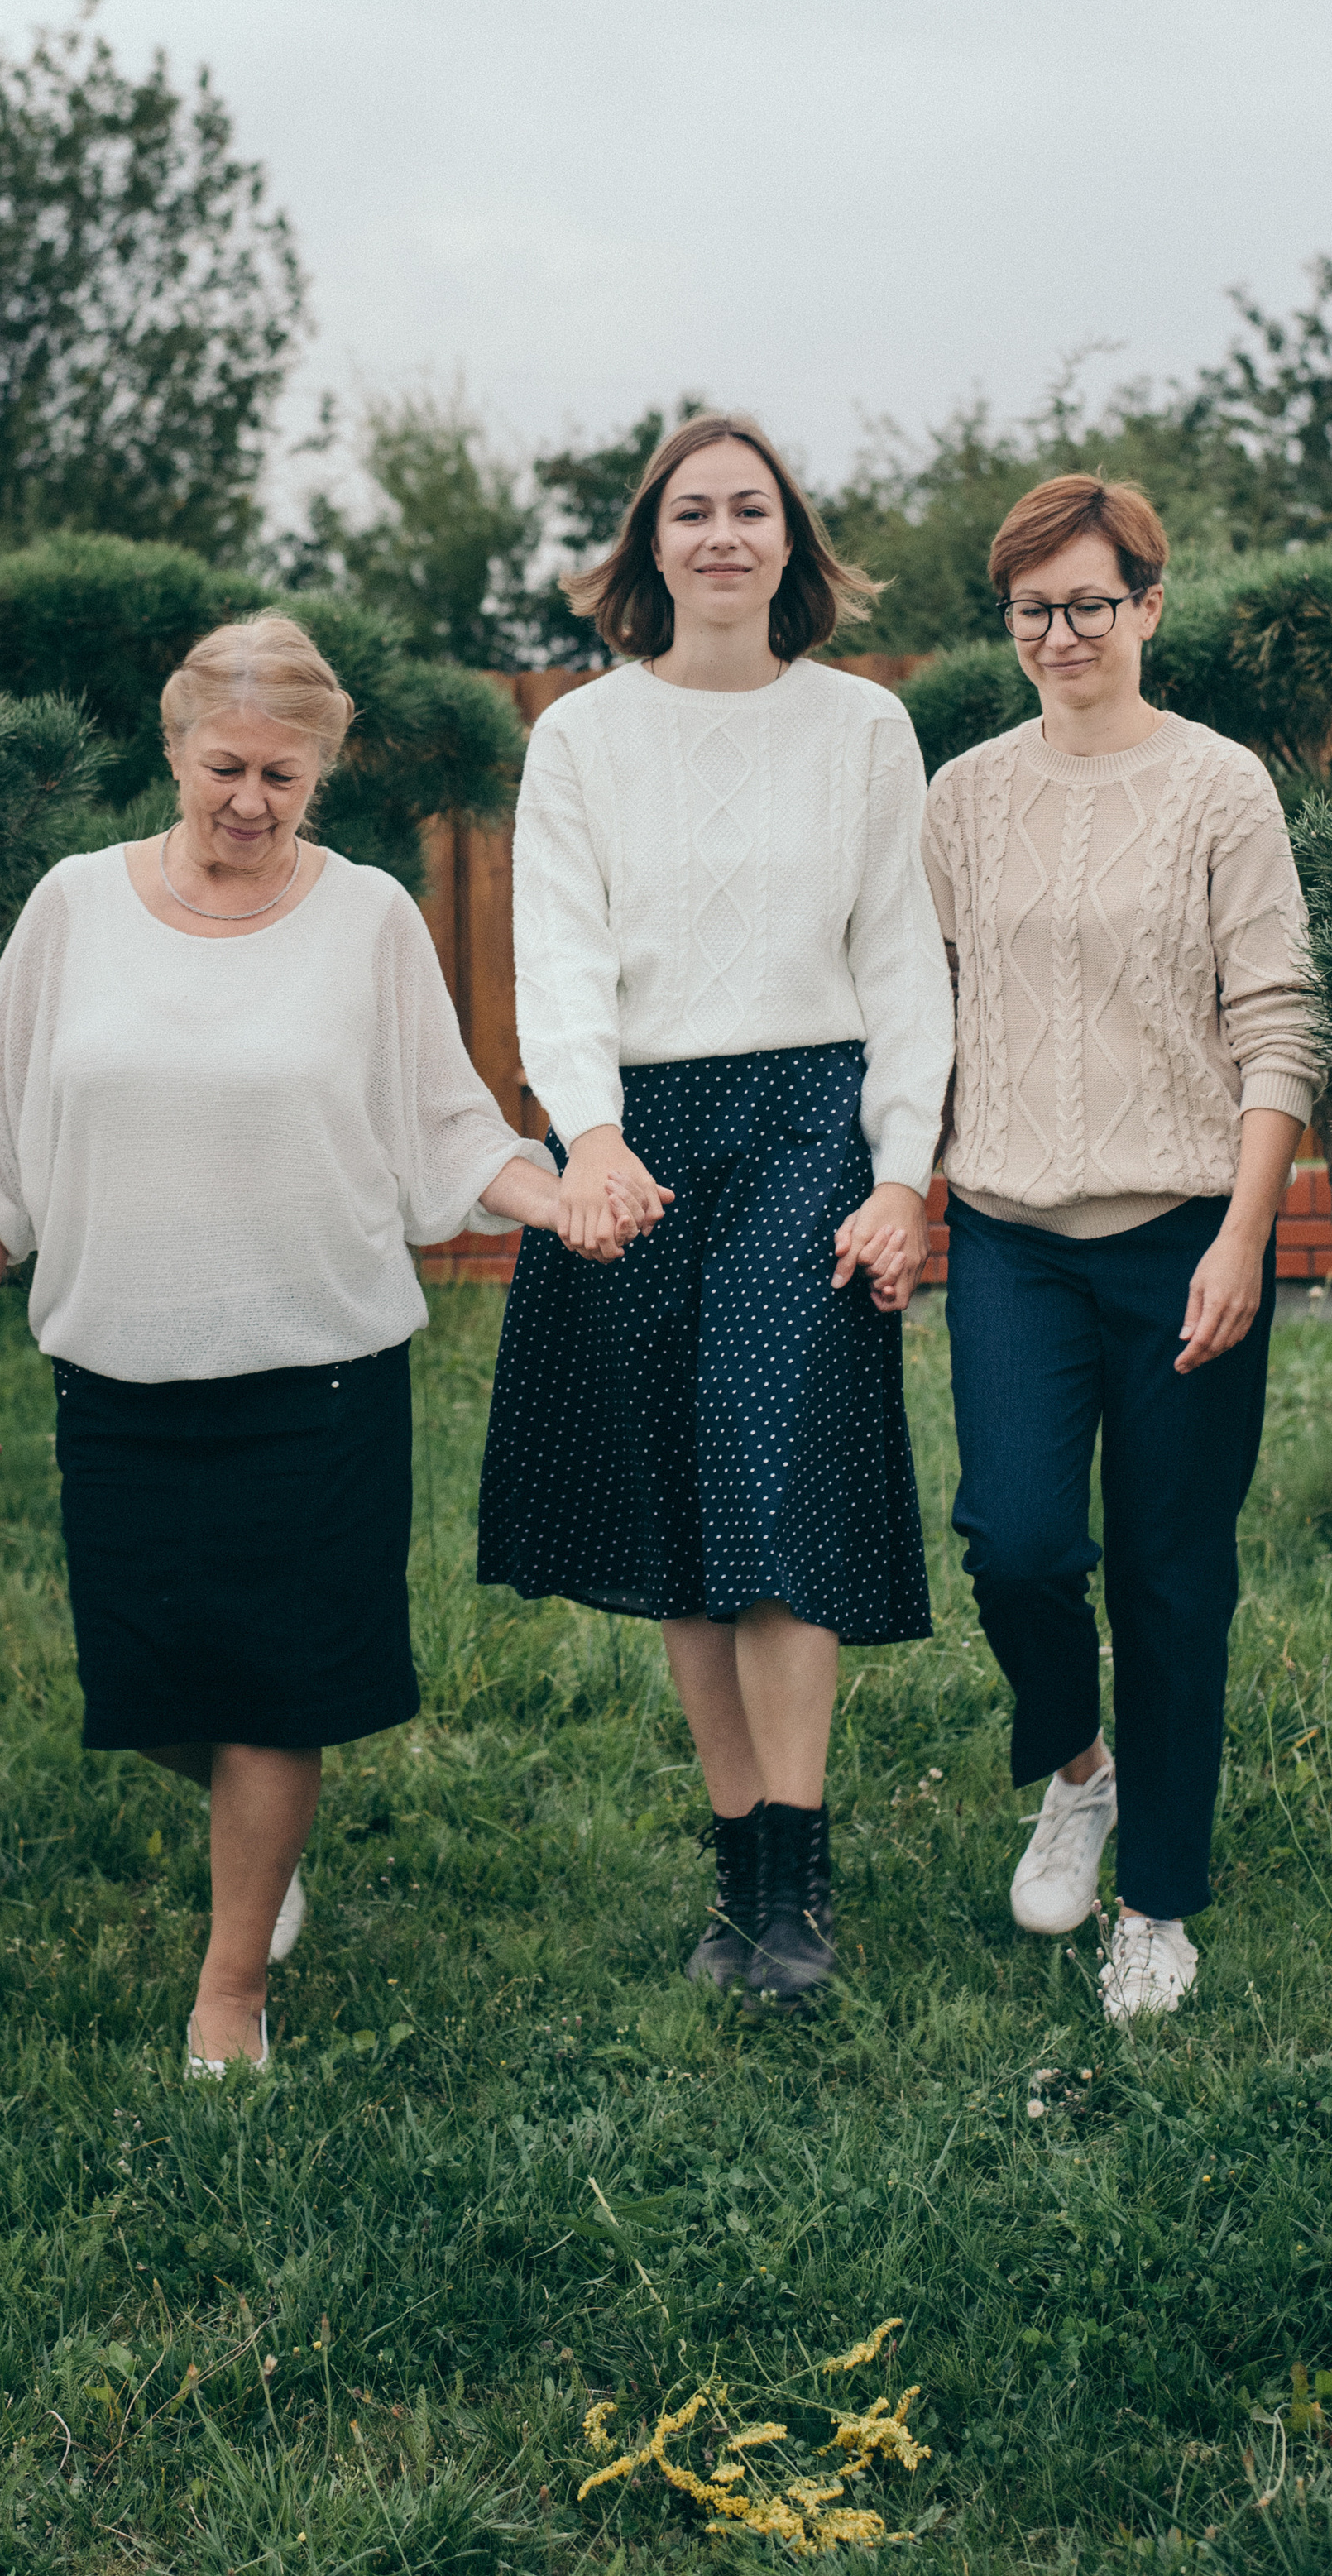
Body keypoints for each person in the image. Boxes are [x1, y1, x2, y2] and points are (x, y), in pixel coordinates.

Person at [0, 613, 567, 2074]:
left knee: (280, 1689)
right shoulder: (75, 908)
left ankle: (230, 1993)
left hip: (317, 1376)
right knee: (149, 1682)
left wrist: (560, 1196)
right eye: (226, 767)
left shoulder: (368, 919)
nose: (249, 802)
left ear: (319, 775)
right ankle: (259, 1847)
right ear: (174, 747)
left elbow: (447, 1123)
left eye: (283, 778)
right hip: (118, 1371)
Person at [477, 411, 953, 2008]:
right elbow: (557, 956)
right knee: (681, 1509)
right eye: (694, 512)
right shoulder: (583, 739)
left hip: (811, 1119)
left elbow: (902, 963)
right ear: (648, 546)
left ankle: (800, 1890)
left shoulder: (866, 733)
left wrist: (902, 1174)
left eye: (755, 511)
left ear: (793, 548)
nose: (725, 536)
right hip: (642, 1139)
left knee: (773, 1472)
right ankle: (735, 1873)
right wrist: (588, 1138)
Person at [923, 476, 1324, 2023]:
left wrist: (1244, 1234)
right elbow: (927, 1016)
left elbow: (1280, 1022)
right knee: (1017, 1542)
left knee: (1170, 1574)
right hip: (1013, 1236)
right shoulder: (963, 798)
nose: (1063, 633)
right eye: (1033, 609)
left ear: (1150, 604)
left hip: (1183, 1239)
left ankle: (1156, 1898)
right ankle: (1075, 1770)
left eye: (1092, 602)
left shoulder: (1223, 790)